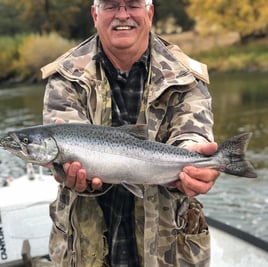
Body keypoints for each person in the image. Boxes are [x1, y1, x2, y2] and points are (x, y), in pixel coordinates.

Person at [41, 0, 220, 266]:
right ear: (95, 14)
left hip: (168, 244)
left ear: (149, 12)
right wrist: (66, 171)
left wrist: (194, 161)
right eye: (111, 5)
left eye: (133, 4)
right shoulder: (66, 76)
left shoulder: (186, 75)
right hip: (84, 245)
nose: (122, 15)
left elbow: (192, 131)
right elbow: (62, 147)